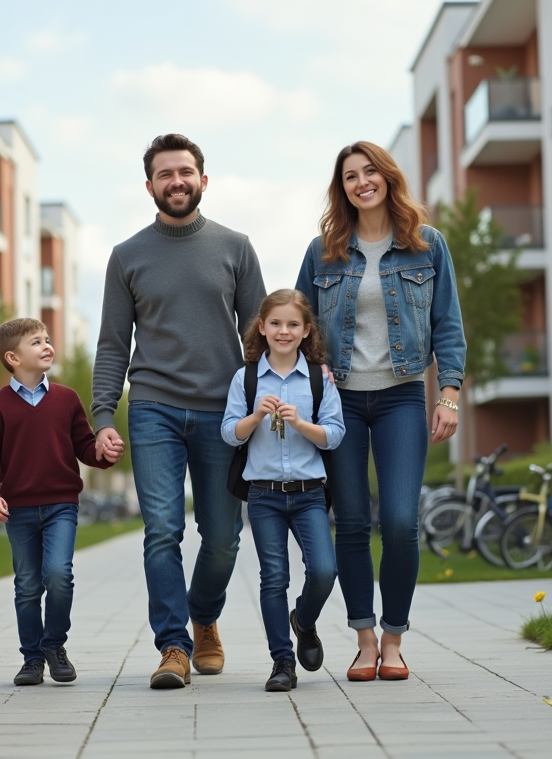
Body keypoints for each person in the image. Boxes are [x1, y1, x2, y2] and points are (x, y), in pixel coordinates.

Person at [92, 133, 267, 689]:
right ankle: (173, 645)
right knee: (162, 530)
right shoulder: (127, 256)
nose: (176, 182)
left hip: (223, 411)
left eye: (185, 172)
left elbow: (261, 336)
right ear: (149, 186)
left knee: (221, 536)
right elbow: (113, 345)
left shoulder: (236, 247)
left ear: (203, 180)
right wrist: (102, 416)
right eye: (165, 174)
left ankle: (204, 614)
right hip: (154, 409)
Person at [296, 141, 466, 681]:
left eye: (370, 171)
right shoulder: (322, 251)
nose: (361, 182)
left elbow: (448, 324)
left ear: (388, 177)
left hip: (400, 395)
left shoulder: (427, 245)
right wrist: (305, 378)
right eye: (350, 176)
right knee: (349, 521)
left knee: (397, 519)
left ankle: (395, 639)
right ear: (341, 188)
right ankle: (365, 641)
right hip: (338, 401)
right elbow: (297, 325)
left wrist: (449, 395)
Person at [0, 318, 124, 687]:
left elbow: (85, 448)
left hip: (61, 505)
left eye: (46, 339)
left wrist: (104, 453)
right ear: (12, 357)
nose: (46, 346)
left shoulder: (67, 399)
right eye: (35, 342)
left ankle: (54, 646)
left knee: (58, 575)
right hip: (19, 510)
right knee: (27, 585)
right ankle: (32, 659)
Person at [221, 290, 345, 692]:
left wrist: (302, 425)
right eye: (275, 323)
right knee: (273, 577)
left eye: (293, 324)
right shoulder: (247, 377)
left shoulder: (318, 376)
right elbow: (229, 432)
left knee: (324, 571)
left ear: (307, 330)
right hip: (264, 496)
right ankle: (282, 661)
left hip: (309, 493)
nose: (284, 331)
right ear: (262, 327)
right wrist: (257, 414)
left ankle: (303, 622)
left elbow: (335, 435)